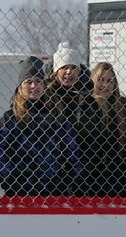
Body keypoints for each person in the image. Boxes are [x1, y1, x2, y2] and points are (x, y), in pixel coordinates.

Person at [0, 56, 81, 196]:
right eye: (28, 82)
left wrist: (64, 182)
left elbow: (72, 155)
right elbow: (2, 156)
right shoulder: (10, 119)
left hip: (56, 195)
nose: (34, 86)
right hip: (20, 195)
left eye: (38, 81)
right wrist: (12, 184)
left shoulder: (58, 118)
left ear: (44, 85)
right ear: (20, 87)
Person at [46, 41, 100, 195]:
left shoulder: (87, 99)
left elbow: (94, 136)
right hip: (53, 166)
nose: (69, 72)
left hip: (82, 168)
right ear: (56, 71)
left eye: (73, 68)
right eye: (64, 67)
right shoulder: (47, 98)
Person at [88, 62, 126, 196]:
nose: (105, 85)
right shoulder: (87, 106)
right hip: (93, 171)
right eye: (101, 80)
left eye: (110, 81)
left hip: (117, 170)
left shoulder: (123, 106)